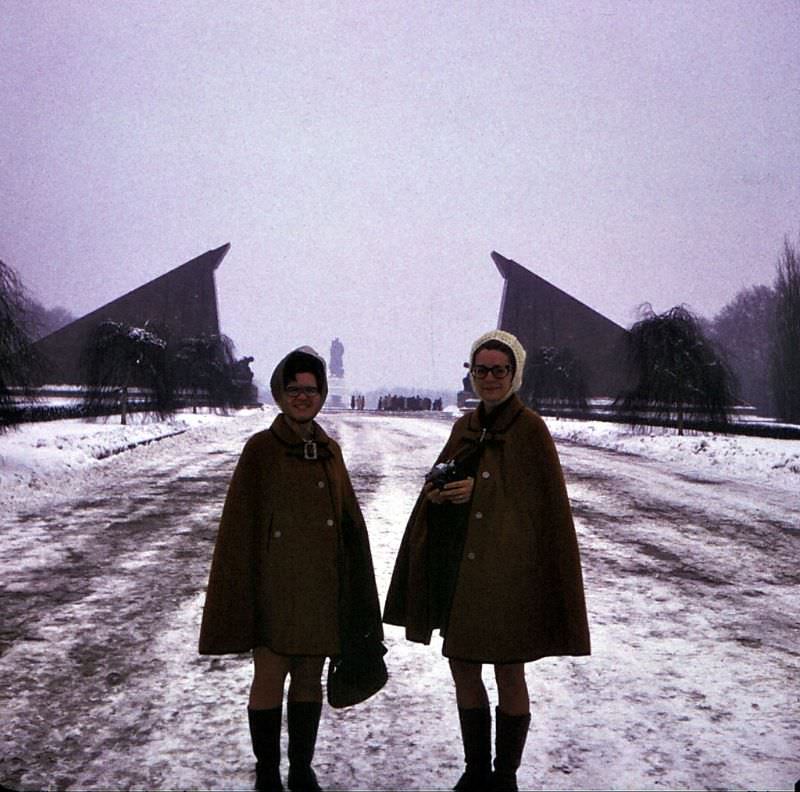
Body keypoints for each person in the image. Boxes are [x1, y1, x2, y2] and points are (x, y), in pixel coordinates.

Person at [384, 330, 590, 792]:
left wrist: (483, 490)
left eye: (500, 370)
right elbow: (443, 477)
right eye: (482, 370)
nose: (490, 378)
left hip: (507, 573)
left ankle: (505, 776)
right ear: (472, 374)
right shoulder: (466, 426)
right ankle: (476, 770)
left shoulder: (531, 429)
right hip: (461, 568)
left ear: (514, 374)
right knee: (463, 668)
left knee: (508, 671)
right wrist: (437, 491)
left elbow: (542, 505)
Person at [198, 347, 383, 792]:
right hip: (274, 588)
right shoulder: (260, 450)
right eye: (295, 389)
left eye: (311, 389)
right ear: (281, 394)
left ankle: (301, 768)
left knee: (308, 679)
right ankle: (267, 772)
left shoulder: (329, 451)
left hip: (321, 587)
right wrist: (243, 593)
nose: (303, 397)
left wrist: (355, 593)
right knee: (269, 677)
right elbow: (239, 528)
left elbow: (350, 526)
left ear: (321, 395)